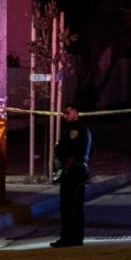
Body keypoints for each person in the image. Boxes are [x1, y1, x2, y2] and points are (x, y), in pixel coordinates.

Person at [50, 104, 93, 248]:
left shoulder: (75, 129)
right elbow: (91, 150)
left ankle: (68, 237)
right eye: (64, 113)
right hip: (81, 169)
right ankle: (77, 237)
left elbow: (72, 152)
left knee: (68, 205)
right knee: (77, 205)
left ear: (75, 112)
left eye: (67, 113)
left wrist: (66, 167)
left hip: (73, 170)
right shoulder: (85, 128)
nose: (65, 116)